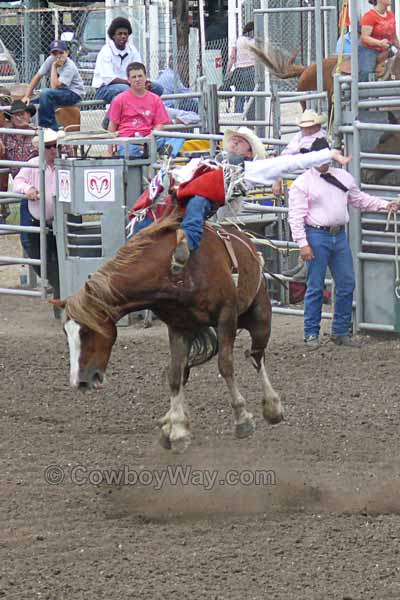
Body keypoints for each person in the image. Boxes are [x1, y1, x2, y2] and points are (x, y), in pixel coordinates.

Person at [170, 128, 351, 274]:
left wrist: (327, 155)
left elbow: (288, 163)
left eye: (240, 141)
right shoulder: (206, 162)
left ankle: (188, 242)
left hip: (205, 206)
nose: (234, 142)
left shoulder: (248, 170)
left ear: (249, 152)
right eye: (233, 139)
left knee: (200, 198)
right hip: (181, 194)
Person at [288, 137, 400, 350]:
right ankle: (312, 332)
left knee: (346, 283)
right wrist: (303, 243)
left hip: (335, 235)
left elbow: (360, 199)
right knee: (316, 286)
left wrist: (386, 206)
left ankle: (338, 331)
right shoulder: (303, 184)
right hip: (317, 235)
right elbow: (296, 216)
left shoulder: (341, 178)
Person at [13, 128, 63, 302]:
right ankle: (58, 287)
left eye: (56, 146)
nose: (53, 150)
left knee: (60, 260)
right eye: (49, 146)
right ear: (41, 148)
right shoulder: (33, 164)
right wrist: (28, 189)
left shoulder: (64, 164)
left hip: (59, 222)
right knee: (37, 257)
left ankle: (59, 294)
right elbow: (17, 182)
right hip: (38, 221)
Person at [93, 17, 163, 128]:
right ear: (113, 36)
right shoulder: (105, 51)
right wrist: (130, 83)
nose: (123, 36)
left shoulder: (132, 50)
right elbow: (109, 78)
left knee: (157, 88)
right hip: (105, 88)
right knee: (124, 90)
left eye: (125, 34)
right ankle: (109, 121)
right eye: (119, 33)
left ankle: (142, 116)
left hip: (130, 84)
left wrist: (145, 82)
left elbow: (139, 69)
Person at [108, 61, 170, 158]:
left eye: (140, 76)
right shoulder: (119, 99)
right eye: (134, 77)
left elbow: (160, 124)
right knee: (130, 152)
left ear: (146, 77)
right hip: (128, 142)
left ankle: (164, 167)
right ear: (128, 80)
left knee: (174, 142)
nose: (137, 79)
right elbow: (112, 126)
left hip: (150, 139)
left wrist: (150, 138)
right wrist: (109, 150)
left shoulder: (155, 99)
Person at [21, 40, 84, 131]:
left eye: (61, 53)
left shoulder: (70, 66)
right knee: (32, 102)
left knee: (46, 93)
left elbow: (55, 86)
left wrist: (54, 66)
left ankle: (48, 126)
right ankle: (30, 127)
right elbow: (37, 77)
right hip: (60, 93)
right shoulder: (50, 59)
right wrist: (26, 96)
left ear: (67, 53)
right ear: (51, 54)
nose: (58, 56)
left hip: (74, 93)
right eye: (54, 53)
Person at [0, 100, 38, 249]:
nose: (19, 118)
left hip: (41, 185)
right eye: (15, 115)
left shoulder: (39, 132)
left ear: (29, 115)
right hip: (23, 189)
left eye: (22, 114)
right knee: (27, 237)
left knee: (44, 231)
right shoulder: (6, 135)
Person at [272, 109, 327, 196]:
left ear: (318, 126)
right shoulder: (300, 137)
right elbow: (284, 156)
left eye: (311, 126)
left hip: (317, 178)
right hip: (307, 178)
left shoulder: (322, 136)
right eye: (305, 127)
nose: (308, 130)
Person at [359, 0, 400, 82]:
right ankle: (362, 92)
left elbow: (394, 36)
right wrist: (379, 43)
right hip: (369, 50)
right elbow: (364, 37)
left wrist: (399, 46)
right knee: (366, 71)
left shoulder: (390, 15)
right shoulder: (369, 16)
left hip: (386, 50)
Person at [225, 22, 256, 116]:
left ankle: (238, 115)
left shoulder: (239, 40)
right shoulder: (256, 41)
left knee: (240, 95)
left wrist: (228, 70)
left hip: (239, 70)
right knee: (252, 95)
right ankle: (251, 115)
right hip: (252, 69)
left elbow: (232, 57)